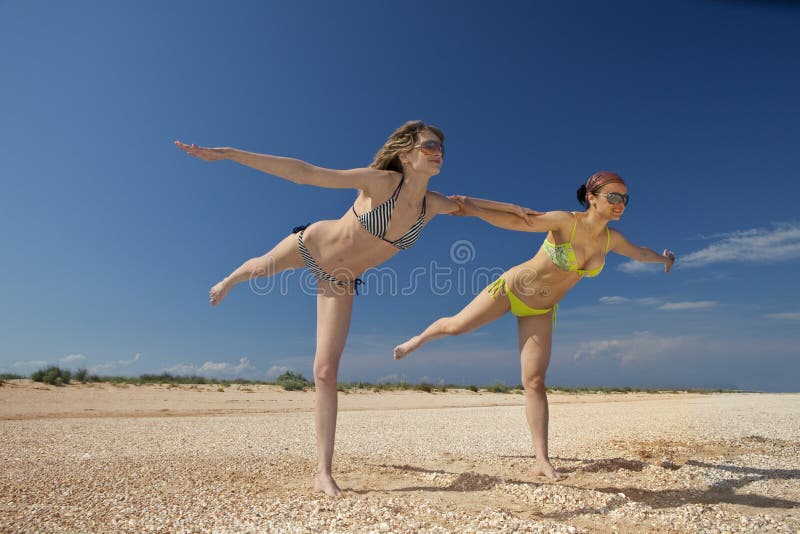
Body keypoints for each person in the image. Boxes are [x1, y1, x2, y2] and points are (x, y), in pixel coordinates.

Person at [175, 121, 536, 496]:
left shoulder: (432, 204)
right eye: (429, 147)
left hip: (341, 280)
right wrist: (230, 154)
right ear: (405, 156)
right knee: (259, 268)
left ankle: (323, 473)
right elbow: (306, 174)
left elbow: (471, 206)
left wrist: (520, 211)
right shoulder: (382, 183)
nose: (438, 153)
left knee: (325, 372)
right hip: (311, 245)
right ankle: (228, 281)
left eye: (441, 149)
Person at [393, 171, 675, 481]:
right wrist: (474, 209)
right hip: (511, 288)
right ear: (592, 198)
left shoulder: (612, 240)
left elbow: (640, 253)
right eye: (613, 197)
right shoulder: (565, 221)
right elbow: (518, 221)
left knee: (535, 381)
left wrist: (663, 260)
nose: (620, 203)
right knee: (457, 326)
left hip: (540, 309)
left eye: (624, 198)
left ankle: (541, 459)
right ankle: (417, 340)